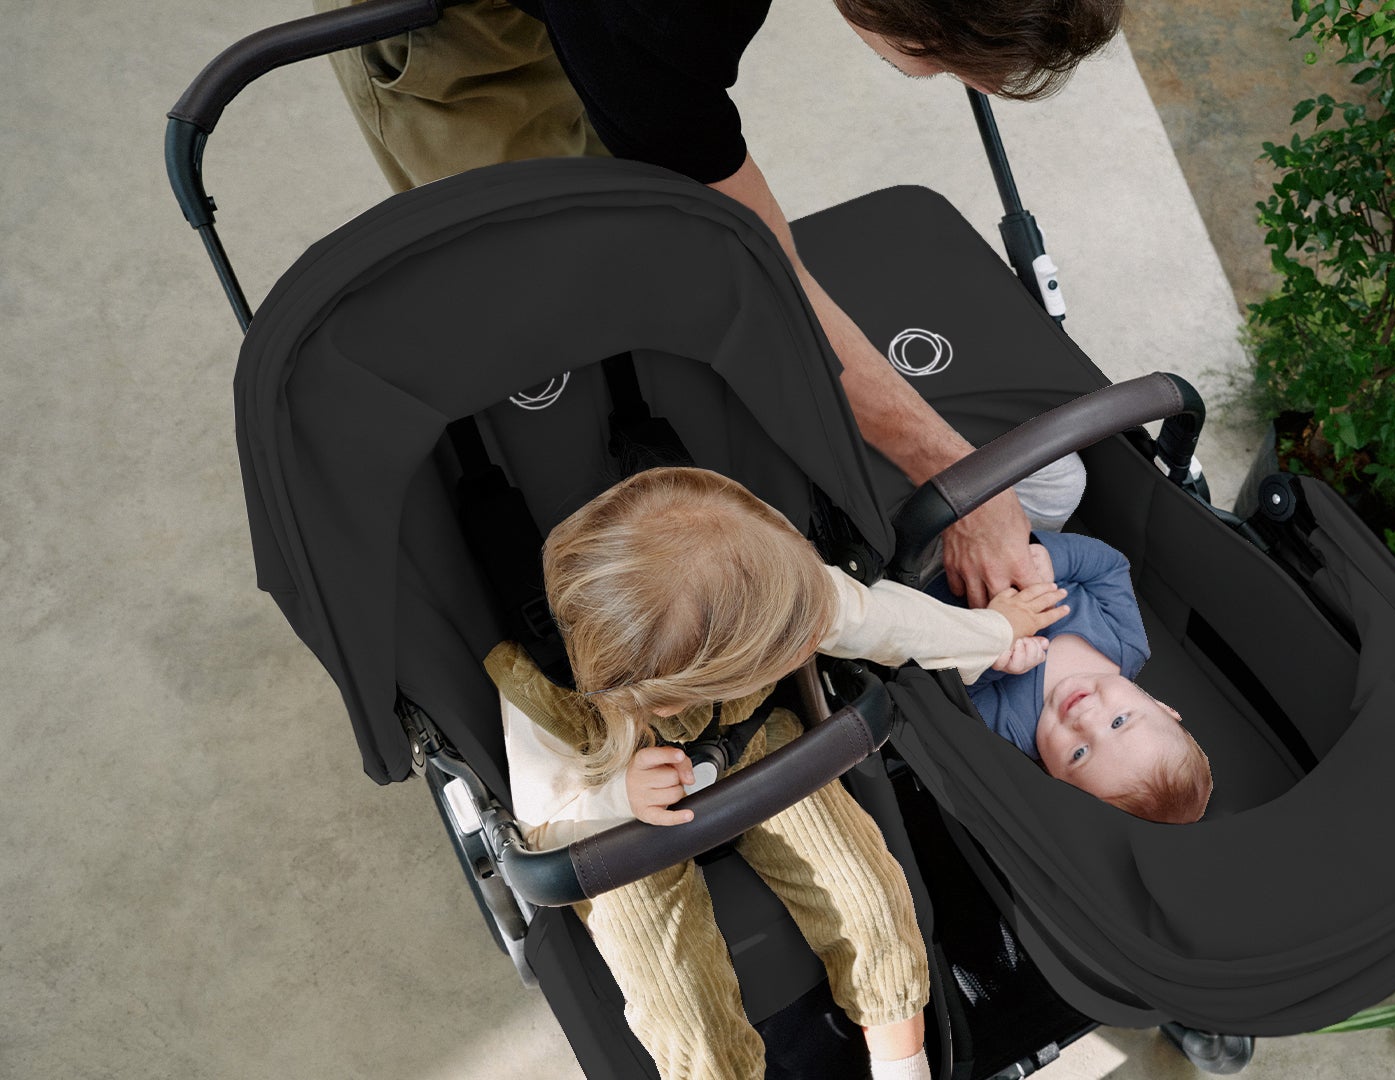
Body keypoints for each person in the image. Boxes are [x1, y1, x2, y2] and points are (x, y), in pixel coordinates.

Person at [315, 0, 1122, 607]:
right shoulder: (661, 14)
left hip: (620, 33)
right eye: (943, 64)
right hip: (466, 32)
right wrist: (954, 479)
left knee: (642, 194)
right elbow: (759, 275)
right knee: (547, 264)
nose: (956, 82)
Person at [493, 466, 1070, 1080]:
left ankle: (902, 1064)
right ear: (669, 701)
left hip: (753, 747)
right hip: (618, 824)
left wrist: (995, 631)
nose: (811, 640)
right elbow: (544, 829)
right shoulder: (540, 698)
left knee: (870, 901)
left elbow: (883, 622)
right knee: (681, 1003)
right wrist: (617, 797)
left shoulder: (774, 583)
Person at [928, 530, 1213, 824]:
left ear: (1055, 776)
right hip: (1017, 541)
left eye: (1079, 753)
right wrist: (1054, 559)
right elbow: (1110, 567)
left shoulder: (1013, 732)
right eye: (1118, 722)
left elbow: (950, 684)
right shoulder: (1127, 640)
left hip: (934, 579)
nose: (1085, 720)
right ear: (1162, 707)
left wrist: (994, 661)